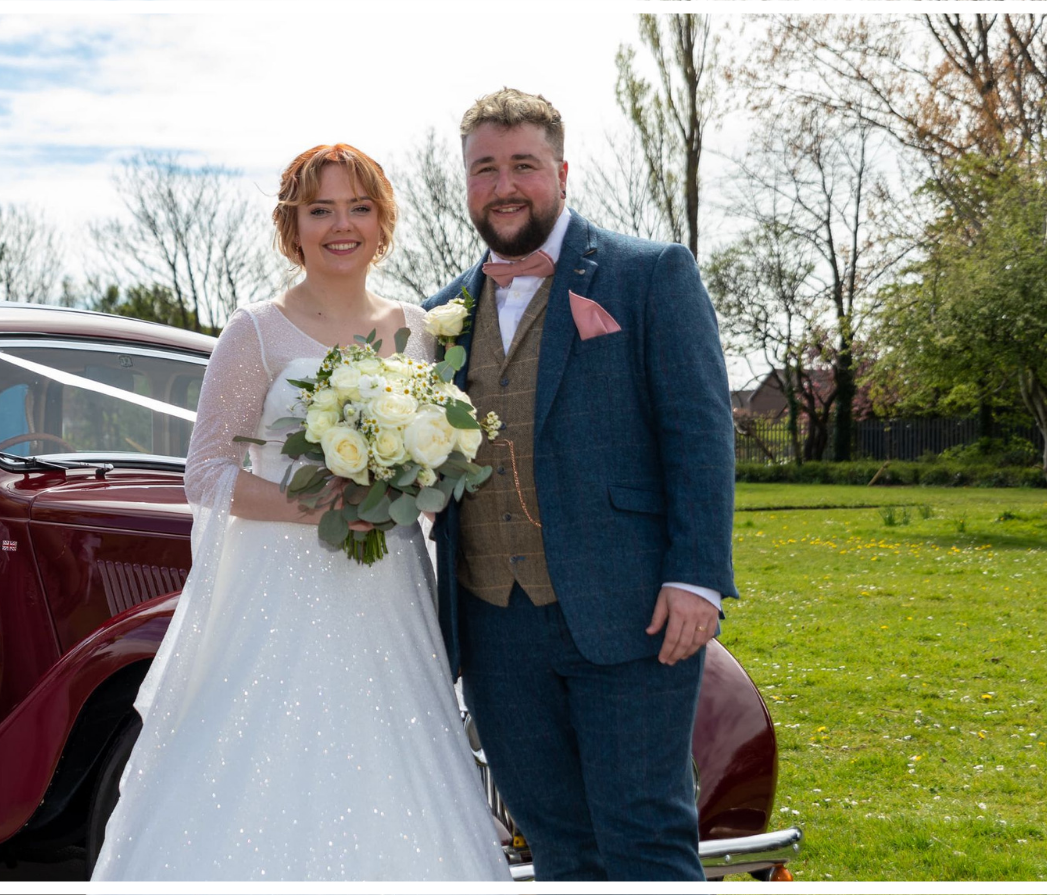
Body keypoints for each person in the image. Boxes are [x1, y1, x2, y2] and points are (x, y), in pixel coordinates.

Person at [91, 146, 510, 881]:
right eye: (320, 209)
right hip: (277, 584)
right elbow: (206, 470)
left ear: (383, 221)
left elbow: (443, 453)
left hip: (388, 587)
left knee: (395, 755)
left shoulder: (417, 328)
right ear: (294, 225)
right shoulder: (256, 331)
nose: (340, 225)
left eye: (358, 207)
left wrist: (413, 478)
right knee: (265, 753)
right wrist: (312, 504)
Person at [425, 88, 735, 881]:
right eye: (484, 168)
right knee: (557, 841)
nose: (504, 185)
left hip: (630, 611)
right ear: (465, 182)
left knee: (644, 836)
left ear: (560, 170)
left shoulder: (648, 274)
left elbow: (699, 434)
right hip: (493, 625)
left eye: (523, 164)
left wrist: (697, 576)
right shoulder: (438, 316)